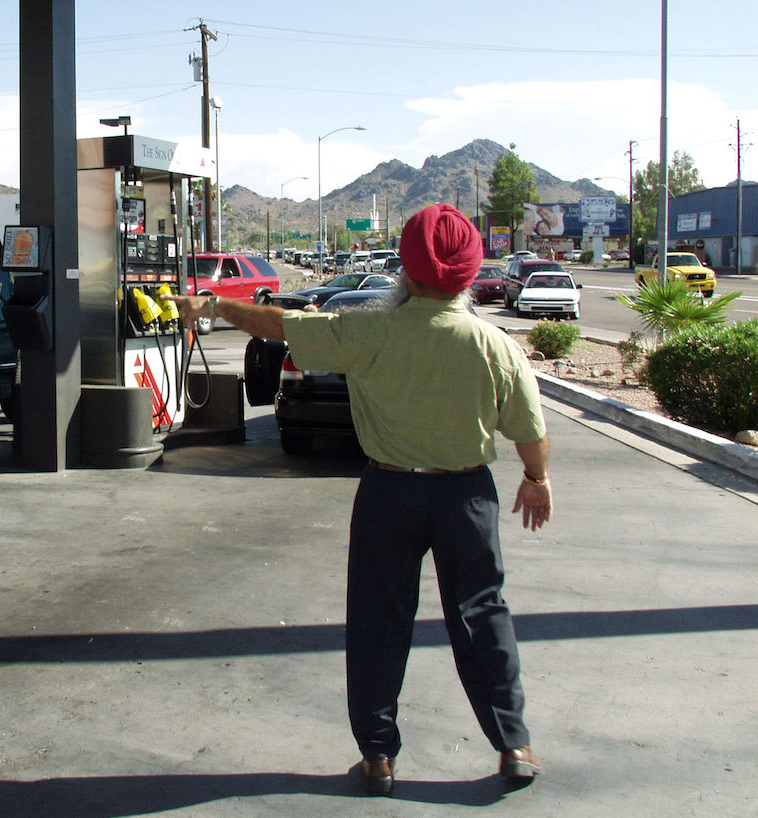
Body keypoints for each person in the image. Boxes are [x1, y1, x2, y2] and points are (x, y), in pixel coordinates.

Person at [162, 203, 552, 796]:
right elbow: (528, 430)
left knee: (377, 620)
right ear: (470, 272)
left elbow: (276, 325)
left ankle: (378, 757)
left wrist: (213, 305)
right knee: (481, 617)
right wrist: (536, 478)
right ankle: (513, 745)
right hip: (466, 497)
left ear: (406, 268)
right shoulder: (492, 343)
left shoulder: (368, 330)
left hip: (389, 491)